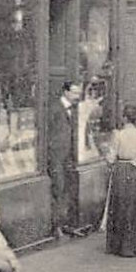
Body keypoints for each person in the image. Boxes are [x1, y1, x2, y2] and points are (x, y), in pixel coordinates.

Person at [105, 106, 136, 257]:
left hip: (121, 171)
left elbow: (111, 158)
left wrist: (105, 152)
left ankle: (119, 246)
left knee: (120, 207)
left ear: (124, 118)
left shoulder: (117, 135)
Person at [46, 81, 83, 240]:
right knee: (58, 189)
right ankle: (57, 227)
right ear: (65, 92)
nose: (77, 96)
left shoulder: (74, 110)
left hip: (69, 157)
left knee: (68, 190)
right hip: (56, 158)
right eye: (74, 93)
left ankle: (67, 224)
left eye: (78, 93)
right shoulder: (54, 109)